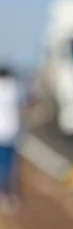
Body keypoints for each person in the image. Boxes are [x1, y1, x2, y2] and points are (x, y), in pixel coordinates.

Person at [0, 66, 21, 212]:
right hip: (11, 132)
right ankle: (7, 195)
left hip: (6, 133)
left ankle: (5, 195)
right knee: (9, 165)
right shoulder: (14, 88)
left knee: (5, 165)